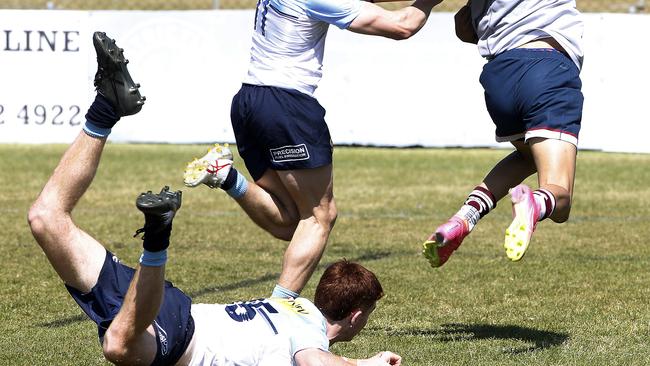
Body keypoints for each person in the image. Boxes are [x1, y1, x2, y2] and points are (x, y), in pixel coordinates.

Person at [28, 32, 401, 366]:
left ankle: (105, 109)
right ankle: (157, 238)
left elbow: (297, 228)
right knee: (118, 347)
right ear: (355, 317)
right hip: (176, 336)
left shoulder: (292, 302)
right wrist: (367, 363)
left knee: (46, 218)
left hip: (168, 310)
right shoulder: (310, 335)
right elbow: (315, 364)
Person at [183, 0, 444, 300]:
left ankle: (225, 175)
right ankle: (278, 311)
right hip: (286, 105)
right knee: (320, 216)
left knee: (291, 221)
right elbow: (402, 25)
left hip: (249, 101)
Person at [423, 0, 584, 267]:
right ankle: (532, 203)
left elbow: (462, 27)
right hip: (547, 67)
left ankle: (466, 215)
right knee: (561, 199)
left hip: (500, 76)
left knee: (529, 158)